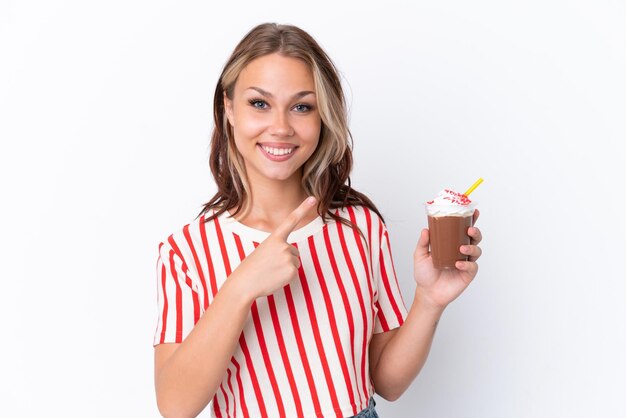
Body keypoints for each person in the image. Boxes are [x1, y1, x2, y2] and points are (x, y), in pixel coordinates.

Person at [153, 23, 483, 418]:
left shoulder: (360, 228)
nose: (280, 127)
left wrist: (429, 300)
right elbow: (174, 406)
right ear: (228, 109)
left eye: (301, 106)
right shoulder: (186, 251)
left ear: (323, 116)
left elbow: (388, 383)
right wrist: (240, 288)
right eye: (259, 103)